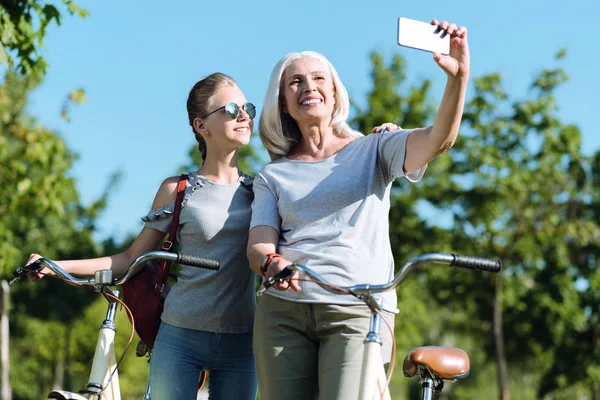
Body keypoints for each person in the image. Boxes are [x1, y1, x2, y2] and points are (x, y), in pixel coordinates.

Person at [247, 19, 470, 400]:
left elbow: (439, 140)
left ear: (334, 92)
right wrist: (272, 263)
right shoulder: (273, 174)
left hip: (357, 308)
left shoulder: (374, 148)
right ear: (283, 101)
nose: (308, 87)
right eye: (295, 82)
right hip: (284, 313)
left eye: (318, 78)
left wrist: (457, 78)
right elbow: (259, 245)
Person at [25, 72, 259, 400]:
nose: (244, 115)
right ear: (201, 126)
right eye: (232, 109)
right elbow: (129, 259)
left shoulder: (260, 192)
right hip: (181, 337)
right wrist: (54, 264)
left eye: (247, 107)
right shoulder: (178, 190)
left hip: (243, 340)